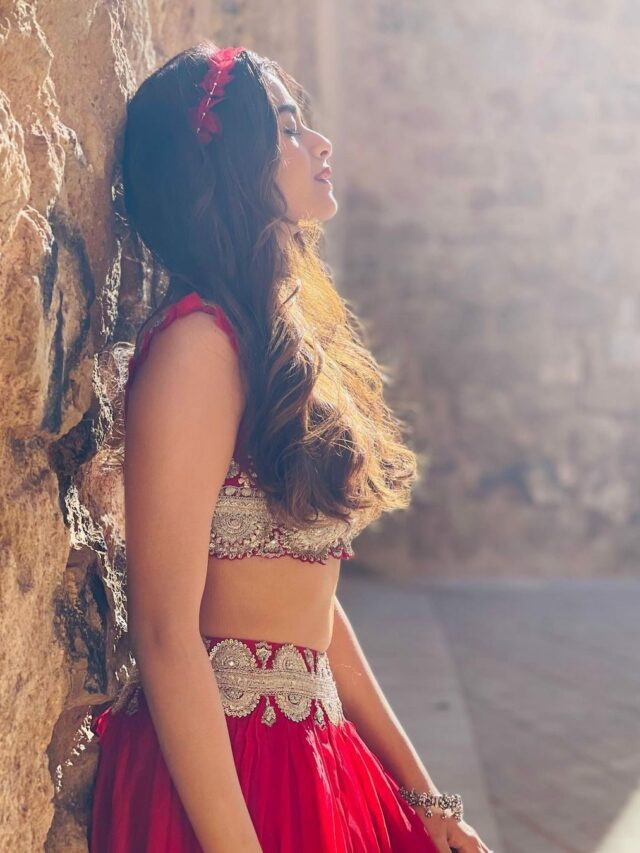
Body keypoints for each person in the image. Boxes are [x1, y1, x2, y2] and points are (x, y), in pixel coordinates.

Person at [88, 41, 492, 853]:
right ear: (230, 164)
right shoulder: (196, 351)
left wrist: (424, 793)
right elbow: (163, 632)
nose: (319, 143)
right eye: (286, 126)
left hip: (313, 753)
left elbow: (312, 612)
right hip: (224, 775)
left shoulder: (267, 344)